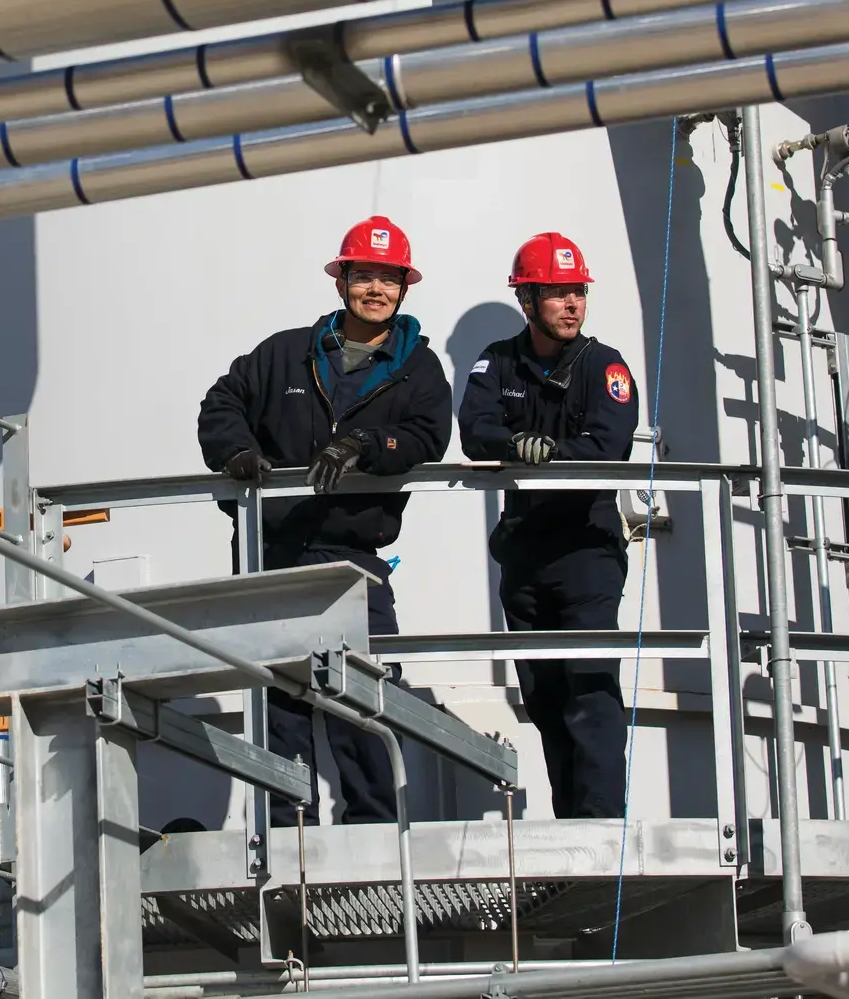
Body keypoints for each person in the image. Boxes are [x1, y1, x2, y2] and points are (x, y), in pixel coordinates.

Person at [196, 216, 452, 823]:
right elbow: (221, 402)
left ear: (403, 289)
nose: (376, 290)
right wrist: (235, 452)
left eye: (388, 279)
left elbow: (427, 434)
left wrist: (366, 444)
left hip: (354, 557)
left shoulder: (420, 370)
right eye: (365, 275)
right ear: (342, 283)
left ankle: (370, 832)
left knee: (360, 702)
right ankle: (286, 834)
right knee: (280, 704)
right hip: (273, 553)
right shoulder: (284, 353)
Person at [458, 232, 640, 819]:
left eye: (578, 293)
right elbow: (475, 428)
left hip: (586, 552)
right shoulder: (498, 360)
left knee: (590, 695)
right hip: (524, 554)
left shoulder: (605, 367)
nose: (572, 305)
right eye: (558, 294)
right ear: (527, 299)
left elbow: (607, 451)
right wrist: (516, 444)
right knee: (544, 699)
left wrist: (547, 455)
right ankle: (572, 831)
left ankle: (602, 834)